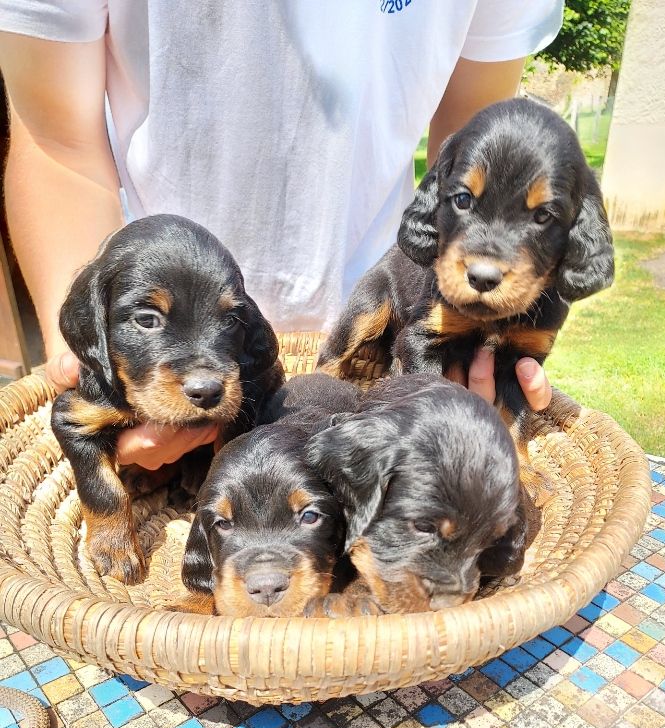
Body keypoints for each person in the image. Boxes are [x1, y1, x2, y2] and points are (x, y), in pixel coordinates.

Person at [0, 1, 558, 470]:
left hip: (383, 337)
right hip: (150, 352)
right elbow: (57, 139)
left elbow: (470, 140)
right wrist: (87, 359)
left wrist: (469, 335)